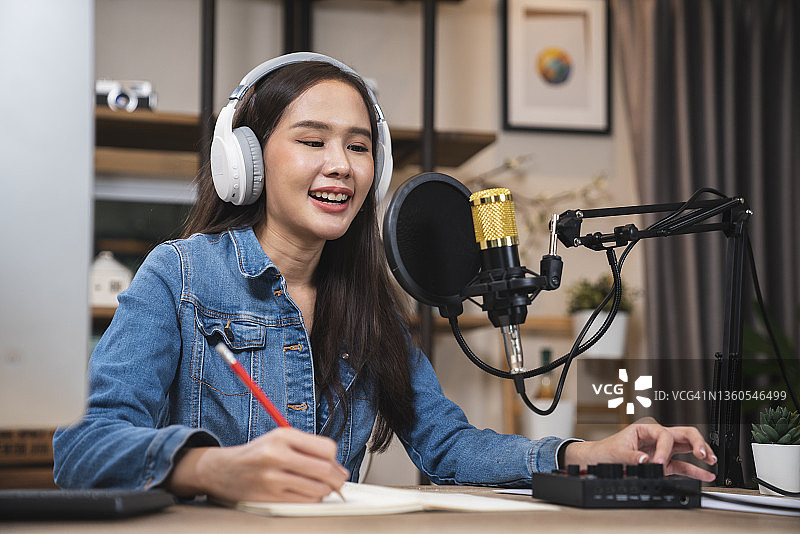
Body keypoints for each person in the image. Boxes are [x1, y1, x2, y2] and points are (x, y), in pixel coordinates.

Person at [53, 53, 716, 503]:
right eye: (312, 141)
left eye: (360, 146)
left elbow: (449, 446)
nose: (341, 165)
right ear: (244, 162)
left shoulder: (369, 308)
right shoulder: (180, 274)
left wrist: (586, 454)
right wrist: (210, 467)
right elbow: (82, 448)